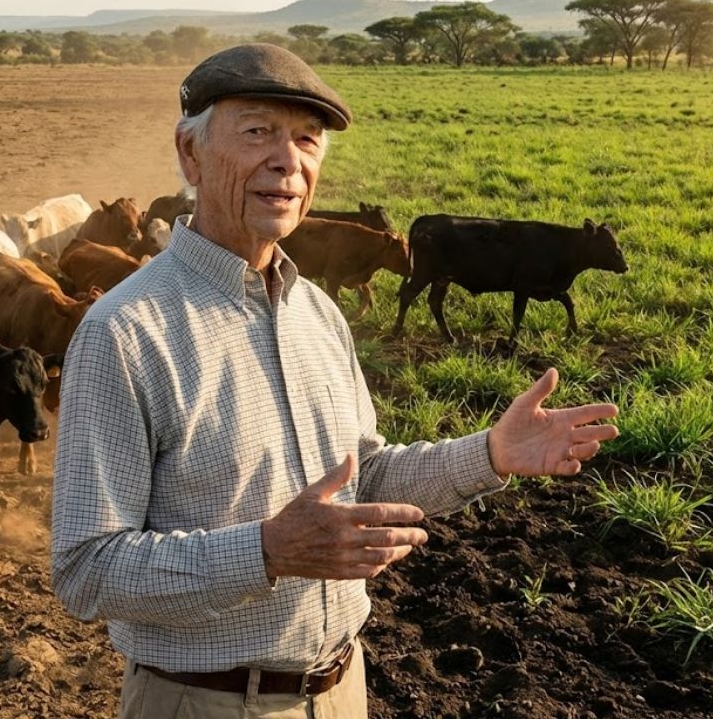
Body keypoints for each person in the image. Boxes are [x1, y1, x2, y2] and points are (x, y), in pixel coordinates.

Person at [51, 43, 619, 718]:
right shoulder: (127, 330)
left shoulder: (318, 314)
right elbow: (87, 570)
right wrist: (264, 552)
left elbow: (365, 479)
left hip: (344, 689)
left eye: (307, 139)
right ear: (190, 154)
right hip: (206, 703)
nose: (287, 160)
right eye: (258, 131)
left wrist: (490, 453)